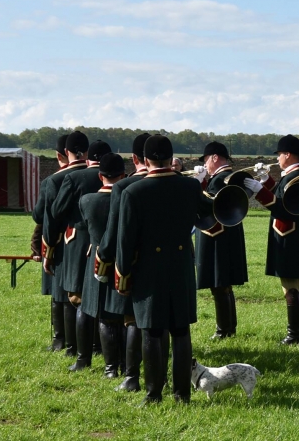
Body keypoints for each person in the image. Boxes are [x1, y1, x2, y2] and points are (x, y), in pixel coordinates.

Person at [115, 134, 201, 404]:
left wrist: (122, 274)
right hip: (181, 266)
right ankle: (182, 394)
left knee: (152, 330)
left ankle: (154, 394)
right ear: (171, 157)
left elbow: (125, 240)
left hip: (148, 270)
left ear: (144, 159)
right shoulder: (191, 186)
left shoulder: (133, 191)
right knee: (181, 330)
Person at [96, 133, 158, 392]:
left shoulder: (124, 187)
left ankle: (132, 377)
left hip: (133, 261)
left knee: (132, 320)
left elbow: (114, 232)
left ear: (135, 158)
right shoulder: (177, 181)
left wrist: (102, 259)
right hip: (169, 263)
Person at [49, 138, 112, 371]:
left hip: (79, 240)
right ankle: (99, 346)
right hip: (110, 240)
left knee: (78, 298)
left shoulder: (74, 178)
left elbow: (57, 211)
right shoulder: (121, 179)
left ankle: (77, 349)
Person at [243, 134, 299, 344]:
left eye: (280, 154)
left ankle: (295, 335)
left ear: (288, 154)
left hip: (288, 236)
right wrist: (267, 181)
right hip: (291, 234)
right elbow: (282, 195)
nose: (278, 158)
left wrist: (260, 191)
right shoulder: (294, 175)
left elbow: (283, 207)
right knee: (296, 286)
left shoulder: (295, 177)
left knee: (290, 287)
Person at [42, 131, 92, 358]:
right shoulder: (98, 173)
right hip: (96, 240)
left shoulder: (55, 180)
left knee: (66, 293)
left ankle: (67, 342)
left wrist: (48, 249)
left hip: (67, 241)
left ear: (63, 153)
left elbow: (47, 217)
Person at [79, 153, 126, 378]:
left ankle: (110, 369)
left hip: (97, 260)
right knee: (125, 318)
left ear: (100, 176)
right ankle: (126, 366)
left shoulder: (86, 201)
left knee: (104, 318)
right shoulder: (128, 198)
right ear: (123, 175)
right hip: (124, 261)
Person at [195, 141, 248, 339]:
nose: (205, 165)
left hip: (216, 236)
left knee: (219, 285)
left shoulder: (219, 180)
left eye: (206, 160)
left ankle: (223, 330)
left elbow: (207, 205)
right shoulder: (230, 177)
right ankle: (229, 327)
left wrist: (196, 184)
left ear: (215, 158)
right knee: (224, 285)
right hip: (226, 235)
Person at [31, 134, 68, 351]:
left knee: (58, 293)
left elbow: (39, 216)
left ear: (58, 155)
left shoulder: (52, 181)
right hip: (83, 243)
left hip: (56, 242)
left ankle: (60, 338)